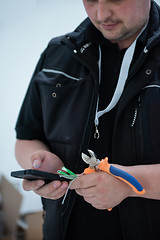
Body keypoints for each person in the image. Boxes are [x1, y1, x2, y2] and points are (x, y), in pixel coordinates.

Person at [15, 0, 160, 239]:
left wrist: (131, 184)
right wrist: (40, 162)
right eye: (91, 0)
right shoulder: (58, 52)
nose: (102, 14)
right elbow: (27, 137)